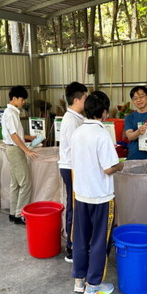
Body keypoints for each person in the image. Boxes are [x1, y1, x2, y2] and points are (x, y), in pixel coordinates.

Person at [70, 91, 124, 294]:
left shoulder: (78, 132)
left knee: (81, 239)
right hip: (101, 197)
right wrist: (120, 165)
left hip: (81, 194)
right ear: (104, 112)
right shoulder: (101, 134)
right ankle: (93, 286)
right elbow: (108, 168)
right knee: (100, 241)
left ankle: (79, 280)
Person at [58, 81, 88, 263]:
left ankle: (77, 243)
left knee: (77, 206)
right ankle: (71, 248)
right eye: (85, 97)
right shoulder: (71, 121)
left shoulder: (77, 118)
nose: (87, 100)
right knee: (74, 207)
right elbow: (77, 149)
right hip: (71, 168)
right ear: (77, 100)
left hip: (75, 167)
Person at [1, 85, 37, 225]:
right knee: (25, 183)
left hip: (13, 148)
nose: (23, 102)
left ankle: (13, 212)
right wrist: (27, 151)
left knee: (15, 183)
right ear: (14, 98)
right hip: (15, 150)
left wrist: (29, 137)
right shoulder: (11, 113)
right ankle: (20, 215)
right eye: (22, 99)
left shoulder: (11, 112)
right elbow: (14, 136)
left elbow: (16, 134)